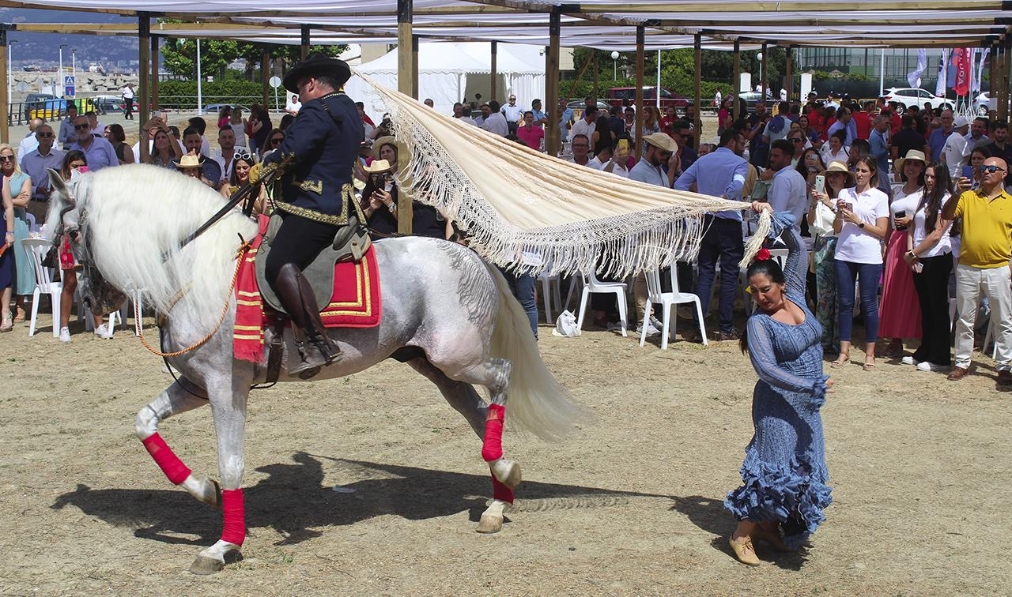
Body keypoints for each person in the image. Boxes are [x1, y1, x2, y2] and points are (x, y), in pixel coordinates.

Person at [726, 203, 832, 566]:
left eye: (766, 289)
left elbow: (800, 249)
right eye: (754, 292)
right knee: (774, 468)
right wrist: (806, 386)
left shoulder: (798, 295)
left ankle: (770, 526)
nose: (760, 297)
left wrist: (774, 218)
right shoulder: (759, 324)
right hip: (776, 404)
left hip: (806, 405)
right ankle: (742, 533)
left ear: (782, 284)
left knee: (802, 465)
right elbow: (767, 370)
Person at [252, 54, 363, 376]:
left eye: (300, 90)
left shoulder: (317, 109)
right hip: (339, 202)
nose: (299, 98)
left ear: (312, 84)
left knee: (278, 262)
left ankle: (317, 341)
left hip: (312, 206)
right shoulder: (350, 112)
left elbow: (293, 151)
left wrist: (266, 168)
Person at [942, 156, 1012, 385]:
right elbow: (947, 215)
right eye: (983, 168)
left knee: (1003, 320)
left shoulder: (1010, 203)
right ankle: (962, 362)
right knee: (965, 319)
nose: (986, 172)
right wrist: (957, 193)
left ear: (1004, 173)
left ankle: (1004, 366)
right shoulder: (968, 197)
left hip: (999, 268)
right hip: (968, 267)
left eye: (992, 169)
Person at [675, 129, 749, 341]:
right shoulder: (739, 163)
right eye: (741, 141)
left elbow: (680, 185)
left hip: (707, 221)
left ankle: (699, 326)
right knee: (728, 274)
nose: (743, 146)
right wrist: (723, 198)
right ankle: (725, 327)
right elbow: (737, 185)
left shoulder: (703, 161)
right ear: (732, 141)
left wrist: (698, 201)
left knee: (706, 273)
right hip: (728, 220)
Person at [832, 156, 890, 370]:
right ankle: (843, 351)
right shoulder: (844, 194)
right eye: (857, 170)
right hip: (844, 253)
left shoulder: (880, 197)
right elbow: (837, 229)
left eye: (864, 170)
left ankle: (870, 352)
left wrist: (859, 221)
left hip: (869, 255)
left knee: (868, 304)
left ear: (872, 173)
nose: (859, 174)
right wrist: (839, 214)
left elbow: (882, 231)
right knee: (845, 303)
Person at [55, 151, 114, 342]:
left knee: (93, 281)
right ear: (67, 168)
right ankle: (64, 326)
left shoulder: (91, 190)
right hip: (68, 240)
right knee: (70, 282)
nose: (78, 170)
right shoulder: (63, 190)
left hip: (88, 240)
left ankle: (99, 324)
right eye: (74, 166)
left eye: (81, 166)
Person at [902, 162, 954, 372]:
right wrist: (911, 252)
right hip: (920, 257)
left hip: (937, 257)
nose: (929, 180)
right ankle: (926, 349)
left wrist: (914, 253)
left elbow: (936, 234)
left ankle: (940, 357)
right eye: (928, 176)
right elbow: (913, 225)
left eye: (934, 177)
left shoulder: (946, 199)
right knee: (925, 307)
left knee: (938, 307)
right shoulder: (925, 196)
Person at [878, 150, 926, 358]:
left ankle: (917, 336)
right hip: (896, 242)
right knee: (893, 289)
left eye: (916, 165)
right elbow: (889, 220)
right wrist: (885, 243)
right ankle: (895, 338)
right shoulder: (897, 190)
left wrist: (911, 221)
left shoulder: (925, 193)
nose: (911, 168)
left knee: (914, 291)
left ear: (922, 169)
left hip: (914, 242)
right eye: (908, 164)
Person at [808, 161, 848, 355]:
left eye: (837, 175)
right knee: (823, 295)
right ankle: (823, 339)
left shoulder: (847, 197)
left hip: (841, 243)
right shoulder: (822, 198)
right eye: (830, 175)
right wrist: (816, 203)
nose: (832, 179)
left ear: (844, 178)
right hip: (824, 243)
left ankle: (839, 340)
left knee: (841, 296)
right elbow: (811, 223)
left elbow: (848, 220)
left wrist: (829, 204)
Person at [0, 143, 33, 328]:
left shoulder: (23, 177)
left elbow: (25, 199)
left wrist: (5, 200)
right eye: (2, 158)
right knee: (5, 266)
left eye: (10, 157)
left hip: (17, 223)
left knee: (20, 264)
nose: (7, 161)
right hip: (1, 221)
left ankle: (21, 304)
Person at [20, 123, 63, 225]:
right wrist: (37, 189)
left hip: (54, 204)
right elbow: (22, 182)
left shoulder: (61, 157)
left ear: (52, 137)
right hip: (34, 203)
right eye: (42, 134)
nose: (45, 137)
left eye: (48, 134)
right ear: (37, 137)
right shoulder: (27, 159)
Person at [220, 151, 266, 215]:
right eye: (238, 168)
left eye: (245, 168)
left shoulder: (261, 188)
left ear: (252, 168)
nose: (241, 171)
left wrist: (250, 198)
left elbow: (262, 212)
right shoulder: (227, 188)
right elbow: (220, 210)